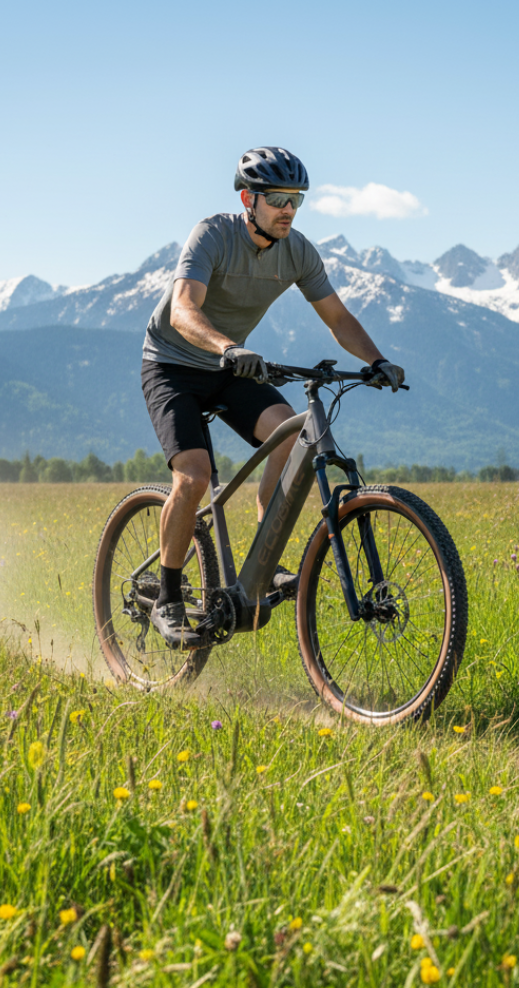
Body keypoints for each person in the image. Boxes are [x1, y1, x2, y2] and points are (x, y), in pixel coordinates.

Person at [141, 146, 404, 647]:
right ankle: (168, 598)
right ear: (249, 199)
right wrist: (228, 347)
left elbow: (338, 318)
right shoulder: (212, 236)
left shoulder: (297, 251)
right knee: (194, 476)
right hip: (173, 366)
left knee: (291, 436)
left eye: (296, 200)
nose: (288, 209)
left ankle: (264, 561)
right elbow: (183, 310)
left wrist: (376, 360)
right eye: (279, 199)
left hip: (230, 366)